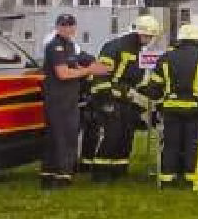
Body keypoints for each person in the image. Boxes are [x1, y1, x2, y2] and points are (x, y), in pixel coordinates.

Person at [139, 23, 198, 190]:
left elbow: (155, 88)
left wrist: (152, 96)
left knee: (171, 144)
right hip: (197, 110)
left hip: (171, 109)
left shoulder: (166, 58)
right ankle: (192, 180)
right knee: (194, 144)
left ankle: (166, 180)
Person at [81, 14, 161, 182]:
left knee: (126, 133)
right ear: (141, 33)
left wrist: (154, 91)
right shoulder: (115, 47)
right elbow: (101, 74)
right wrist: (107, 97)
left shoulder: (137, 50)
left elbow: (135, 80)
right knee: (113, 133)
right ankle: (100, 172)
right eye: (149, 36)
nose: (150, 40)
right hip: (107, 97)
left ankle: (118, 168)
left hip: (125, 99)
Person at [40, 14, 109, 189]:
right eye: (63, 25)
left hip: (69, 98)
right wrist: (88, 71)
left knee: (65, 135)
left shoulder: (70, 46)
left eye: (70, 25)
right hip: (58, 99)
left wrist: (96, 68)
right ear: (57, 27)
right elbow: (63, 74)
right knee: (62, 136)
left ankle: (54, 173)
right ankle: (61, 175)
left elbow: (76, 67)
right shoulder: (55, 47)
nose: (67, 28)